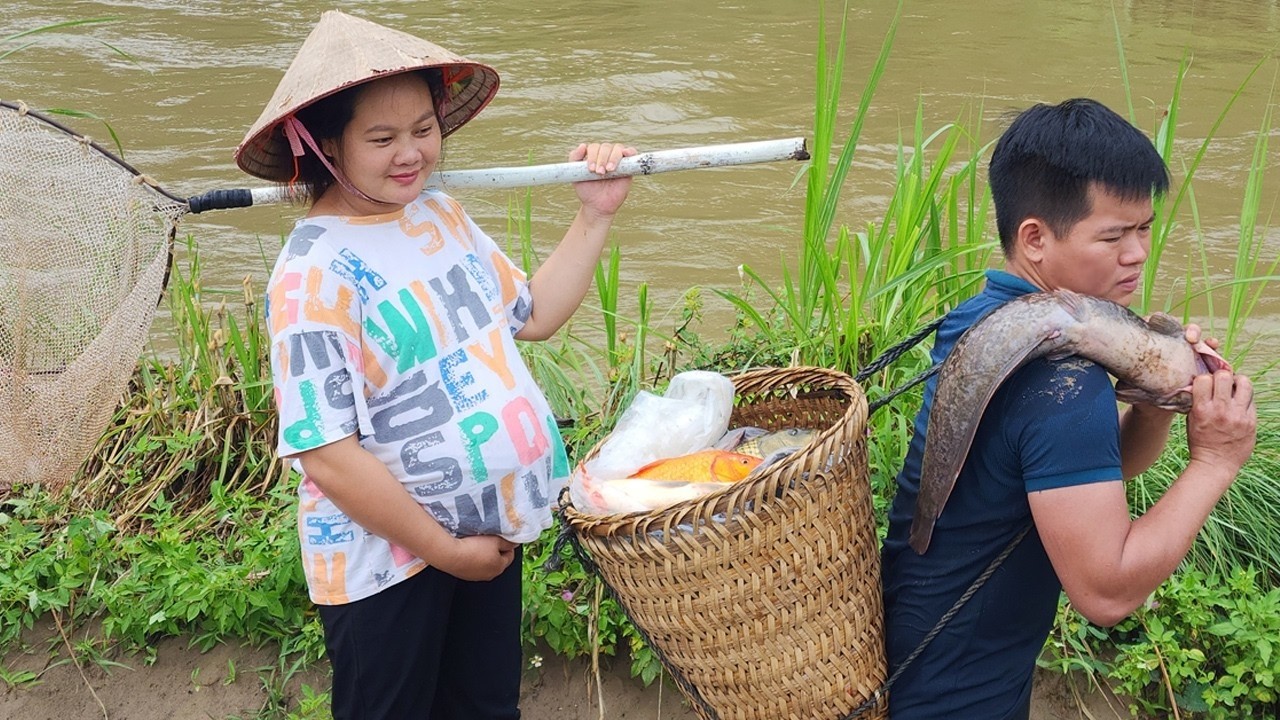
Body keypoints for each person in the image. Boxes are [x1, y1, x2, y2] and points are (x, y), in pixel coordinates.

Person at [235, 10, 635, 719]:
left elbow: (534, 314)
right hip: (386, 566)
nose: (410, 153)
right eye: (381, 138)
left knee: (484, 710)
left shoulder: (440, 216)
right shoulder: (312, 272)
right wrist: (442, 550)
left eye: (423, 129)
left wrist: (594, 215)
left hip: (485, 534)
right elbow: (325, 451)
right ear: (325, 143)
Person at [879, 98, 1257, 719]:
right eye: (1112, 235)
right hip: (957, 697)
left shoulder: (986, 321)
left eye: (1144, 228)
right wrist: (1214, 462)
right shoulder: (1064, 379)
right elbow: (1106, 593)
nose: (1136, 253)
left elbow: (1088, 473)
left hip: (924, 651)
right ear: (1035, 237)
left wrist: (1157, 402)